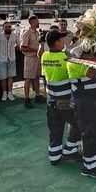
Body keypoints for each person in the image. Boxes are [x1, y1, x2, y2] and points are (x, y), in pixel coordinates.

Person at [66, 47, 96, 178]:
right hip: (85, 103)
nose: (91, 56)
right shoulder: (74, 63)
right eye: (88, 54)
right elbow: (91, 73)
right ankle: (90, 167)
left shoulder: (85, 61)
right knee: (90, 132)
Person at [41, 30, 82, 165]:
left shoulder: (44, 56)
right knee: (78, 123)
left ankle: (54, 157)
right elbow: (75, 74)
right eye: (62, 40)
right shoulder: (65, 57)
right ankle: (70, 149)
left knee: (55, 128)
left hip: (51, 100)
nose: (64, 42)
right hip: (64, 100)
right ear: (58, 42)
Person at [0, 21, 19, 102]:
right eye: (6, 27)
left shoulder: (15, 36)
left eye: (9, 27)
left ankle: (10, 93)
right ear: (3, 28)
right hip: (1, 59)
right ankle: (4, 93)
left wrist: (13, 50)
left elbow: (19, 45)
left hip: (11, 59)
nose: (8, 28)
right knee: (3, 78)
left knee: (10, 77)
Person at [20, 15, 43, 108]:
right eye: (37, 21)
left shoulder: (37, 33)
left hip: (37, 58)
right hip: (30, 59)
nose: (39, 23)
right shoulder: (27, 33)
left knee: (37, 77)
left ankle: (37, 95)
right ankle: (27, 99)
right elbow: (22, 47)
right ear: (33, 22)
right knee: (28, 79)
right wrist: (35, 50)